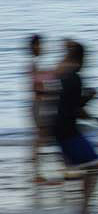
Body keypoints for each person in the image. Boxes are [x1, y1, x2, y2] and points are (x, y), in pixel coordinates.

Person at [53, 40, 98, 214]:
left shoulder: (67, 76)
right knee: (95, 168)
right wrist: (89, 98)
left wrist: (89, 111)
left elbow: (69, 105)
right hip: (67, 130)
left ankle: (83, 213)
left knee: (86, 169)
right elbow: (74, 108)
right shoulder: (74, 78)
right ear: (81, 59)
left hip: (62, 129)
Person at [29, 34, 59, 184]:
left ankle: (39, 173)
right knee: (40, 140)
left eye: (42, 44)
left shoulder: (37, 63)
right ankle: (37, 174)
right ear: (33, 46)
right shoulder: (33, 64)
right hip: (39, 106)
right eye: (40, 44)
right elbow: (35, 88)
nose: (42, 47)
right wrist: (52, 93)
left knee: (42, 139)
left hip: (41, 105)